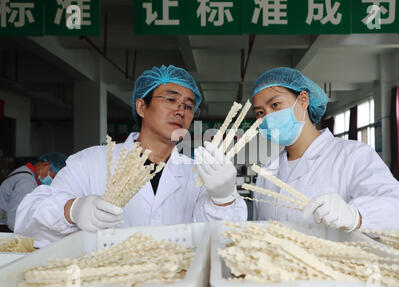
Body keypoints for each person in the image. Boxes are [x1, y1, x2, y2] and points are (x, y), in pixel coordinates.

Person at [15, 65, 247, 247]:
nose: (181, 110)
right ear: (141, 107)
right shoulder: (91, 162)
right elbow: (26, 219)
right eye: (170, 99)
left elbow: (224, 240)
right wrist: (73, 210)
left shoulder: (197, 173)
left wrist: (224, 199)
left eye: (188, 106)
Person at [250, 67, 399, 231]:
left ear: (303, 100)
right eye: (260, 113)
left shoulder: (352, 156)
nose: (268, 118)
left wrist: (357, 216)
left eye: (274, 105)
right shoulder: (267, 172)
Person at [0, 152, 67, 232]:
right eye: (53, 177)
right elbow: (15, 221)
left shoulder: (25, 172)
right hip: (4, 228)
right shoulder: (27, 182)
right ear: (46, 165)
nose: (52, 182)